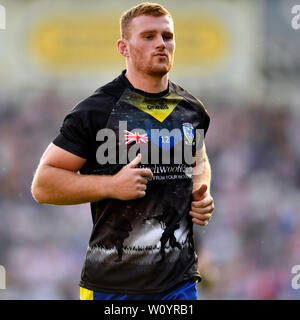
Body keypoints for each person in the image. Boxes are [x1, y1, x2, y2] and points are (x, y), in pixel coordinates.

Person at [31, 2, 214, 300]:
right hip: (113, 286)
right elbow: (43, 184)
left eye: (167, 36)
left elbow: (200, 160)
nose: (161, 44)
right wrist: (111, 185)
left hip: (179, 284)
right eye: (148, 36)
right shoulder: (95, 111)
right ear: (123, 47)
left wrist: (201, 193)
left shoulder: (191, 109)